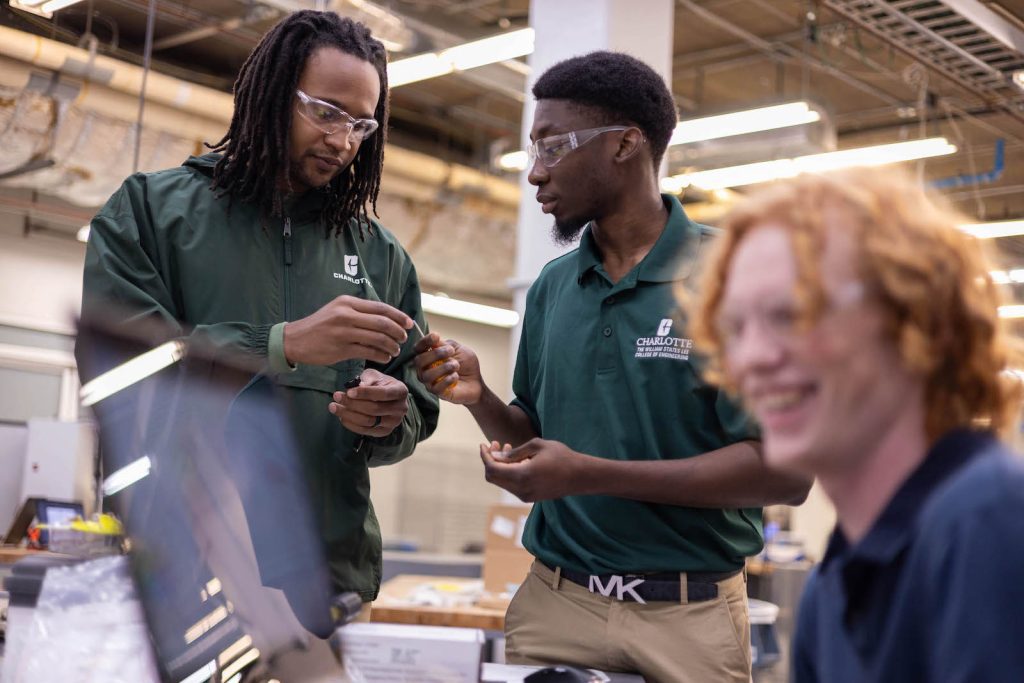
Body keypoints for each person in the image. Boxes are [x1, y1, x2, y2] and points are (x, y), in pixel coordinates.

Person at [414, 51, 810, 682]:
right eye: (534, 150)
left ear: (625, 144)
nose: (535, 172)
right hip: (556, 603)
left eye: (553, 147)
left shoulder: (739, 279)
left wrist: (588, 474)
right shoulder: (552, 287)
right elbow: (536, 440)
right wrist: (481, 398)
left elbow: (786, 473)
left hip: (689, 619)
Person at [75, 10, 439, 625]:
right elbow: (119, 374)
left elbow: (416, 406)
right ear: (269, 96)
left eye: (361, 124)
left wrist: (385, 419)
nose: (343, 141)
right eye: (326, 112)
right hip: (178, 579)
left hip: (326, 586)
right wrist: (280, 345)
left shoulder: (380, 255)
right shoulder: (151, 212)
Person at [690, 166, 1024, 682]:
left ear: (915, 321)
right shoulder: (833, 587)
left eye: (791, 315)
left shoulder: (987, 524)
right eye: (734, 328)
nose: (750, 357)